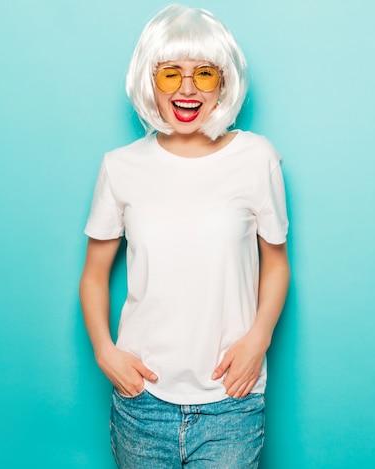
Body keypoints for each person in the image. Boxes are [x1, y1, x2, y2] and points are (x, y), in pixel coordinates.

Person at [79, 4, 290, 468]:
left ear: (224, 82)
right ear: (149, 81)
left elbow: (276, 264)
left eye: (205, 74)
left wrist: (258, 340)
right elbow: (94, 274)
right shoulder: (120, 166)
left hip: (231, 402)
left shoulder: (257, 159)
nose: (189, 89)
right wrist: (104, 352)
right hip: (141, 403)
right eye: (171, 74)